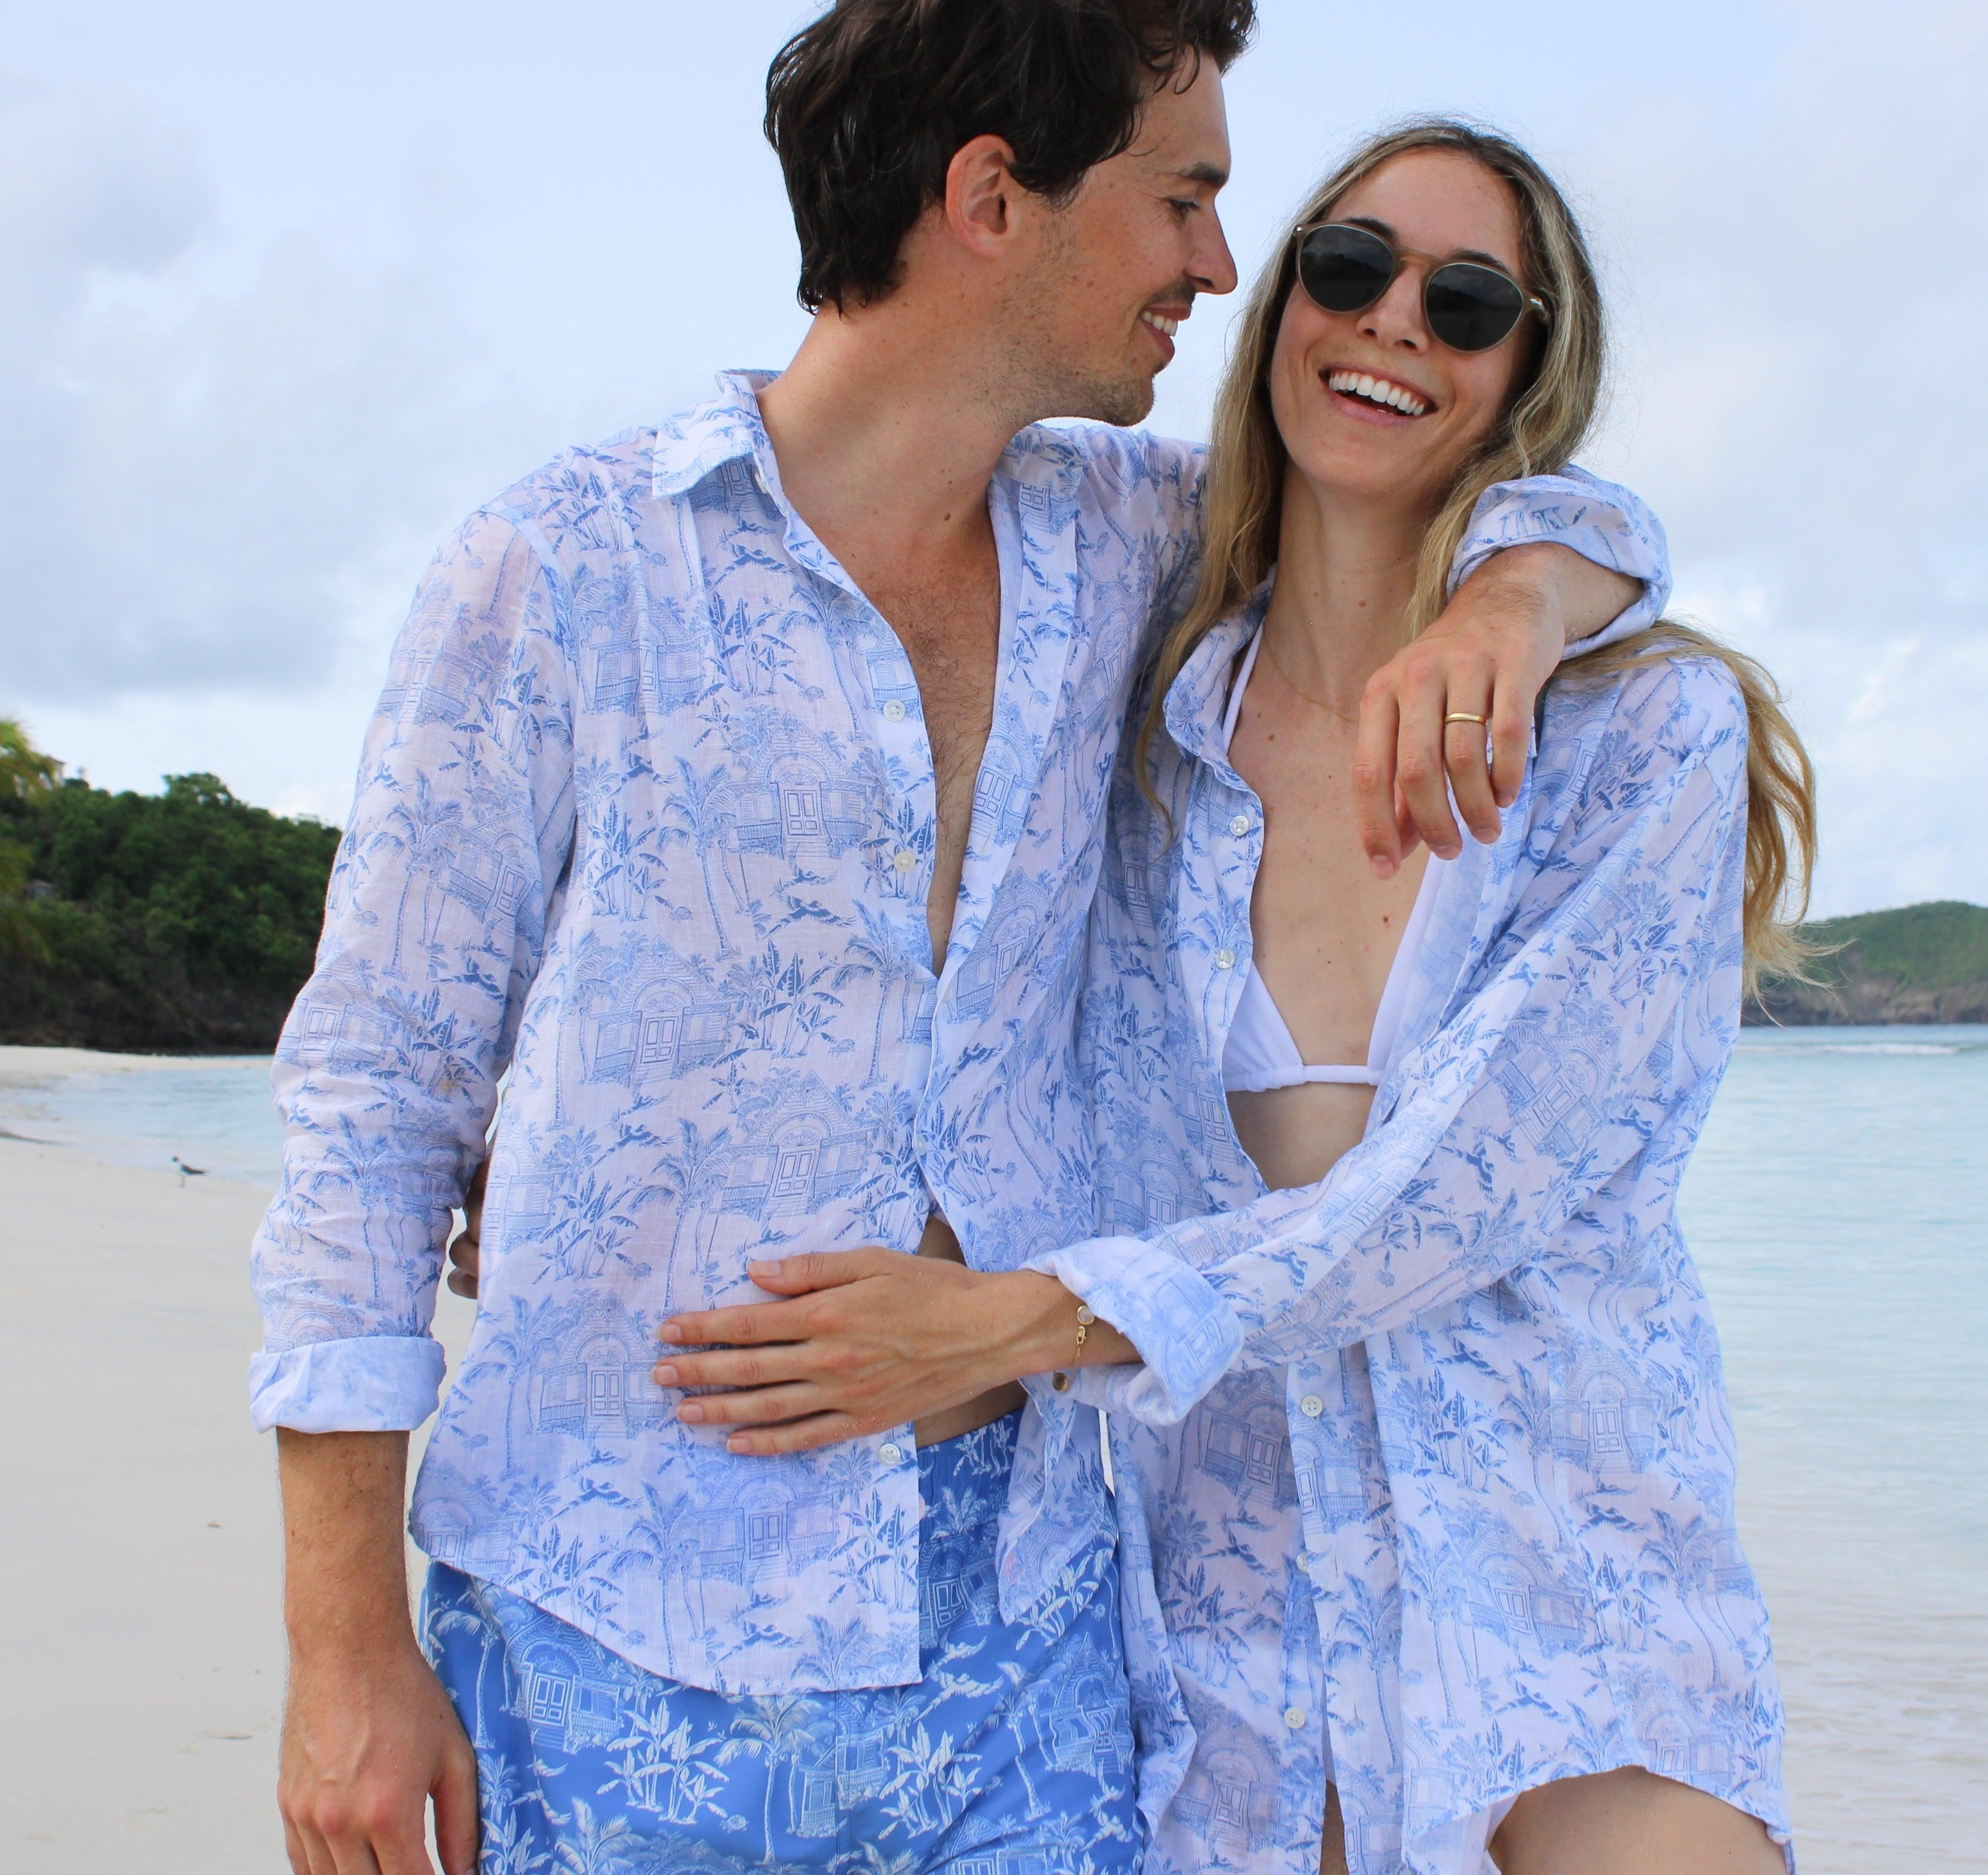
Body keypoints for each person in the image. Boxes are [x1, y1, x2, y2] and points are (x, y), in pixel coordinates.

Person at [250, 0, 1657, 1874]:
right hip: (601, 1636)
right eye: (1181, 198)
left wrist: (1523, 597)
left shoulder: (1139, 544)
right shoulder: (559, 569)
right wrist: (341, 1651)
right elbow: (373, 1102)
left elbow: (1495, 472)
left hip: (1031, 1653)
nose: (1219, 264)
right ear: (994, 197)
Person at [668, 121, 1810, 1875]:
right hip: (1227, 1657)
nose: (1394, 324)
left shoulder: (1639, 735)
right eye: (1348, 268)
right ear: (1280, 304)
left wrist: (1014, 1320)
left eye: (1469, 298)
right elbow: (935, 1006)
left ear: (1528, 368)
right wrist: (589, 1135)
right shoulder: (1142, 723)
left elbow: (1452, 1199)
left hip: (1570, 1603)